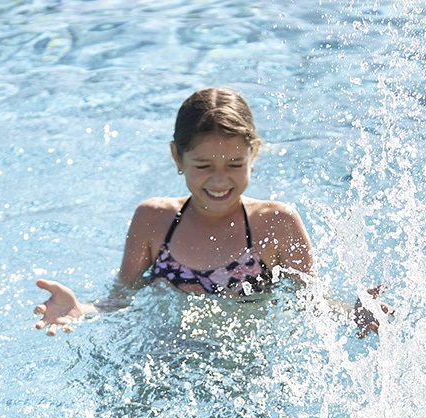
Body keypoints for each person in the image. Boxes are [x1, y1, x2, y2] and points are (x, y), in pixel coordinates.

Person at [33, 87, 388, 337]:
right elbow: (122, 297)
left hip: (241, 368)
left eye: (235, 163)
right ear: (177, 157)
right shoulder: (153, 220)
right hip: (164, 357)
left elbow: (313, 303)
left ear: (255, 153)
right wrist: (83, 309)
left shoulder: (276, 224)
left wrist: (351, 313)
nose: (220, 180)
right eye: (203, 165)